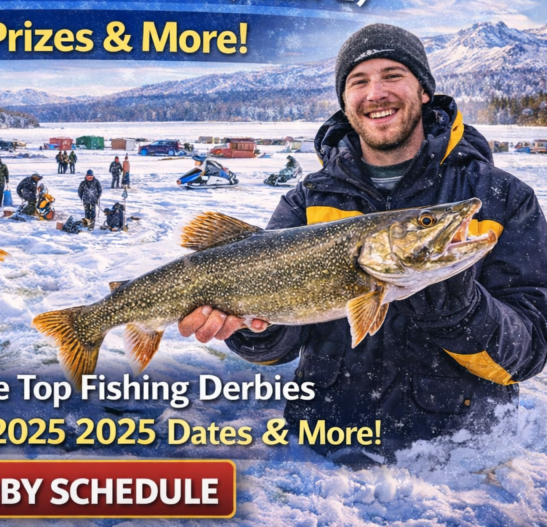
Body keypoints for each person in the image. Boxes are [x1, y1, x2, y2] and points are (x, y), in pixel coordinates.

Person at [178, 23, 547, 461]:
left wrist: (459, 306)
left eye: (393, 75)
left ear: (424, 91)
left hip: (457, 465)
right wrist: (249, 326)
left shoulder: (503, 199)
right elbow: (277, 347)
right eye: (359, 81)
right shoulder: (309, 199)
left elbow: (530, 352)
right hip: (319, 459)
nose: (376, 93)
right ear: (345, 101)